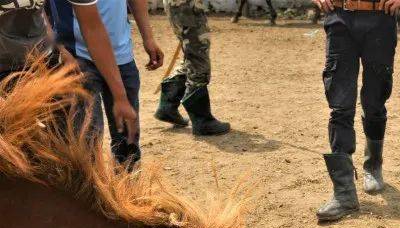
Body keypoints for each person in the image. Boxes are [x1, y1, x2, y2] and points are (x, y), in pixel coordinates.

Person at [313, 0, 400, 222]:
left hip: (380, 20)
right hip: (340, 18)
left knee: (374, 102)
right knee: (340, 107)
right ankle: (344, 194)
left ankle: (373, 165)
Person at [0, 0, 138, 144]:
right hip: (4, 65)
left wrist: (120, 96)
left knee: (63, 145)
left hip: (39, 61)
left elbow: (92, 28)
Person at [49, 0, 163, 167]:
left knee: (127, 140)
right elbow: (41, 11)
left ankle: (127, 186)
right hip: (78, 57)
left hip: (122, 55)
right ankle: (88, 187)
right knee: (86, 141)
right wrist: (60, 49)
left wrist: (148, 37)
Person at [155, 0, 230, 136]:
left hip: (180, 6)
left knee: (191, 56)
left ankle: (168, 106)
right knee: (198, 58)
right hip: (187, 7)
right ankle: (202, 121)